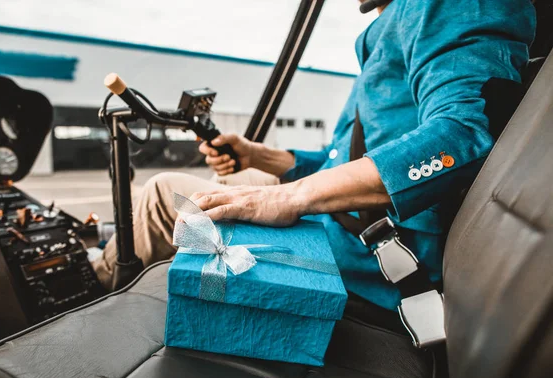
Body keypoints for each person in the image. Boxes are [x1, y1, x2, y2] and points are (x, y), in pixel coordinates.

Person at [94, 0, 536, 314]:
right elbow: (338, 160)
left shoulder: (450, 4)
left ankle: (93, 291)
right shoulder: (396, 22)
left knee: (160, 195)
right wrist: (258, 156)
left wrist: (289, 197)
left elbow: (459, 137)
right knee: (218, 189)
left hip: (371, 247)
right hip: (345, 219)